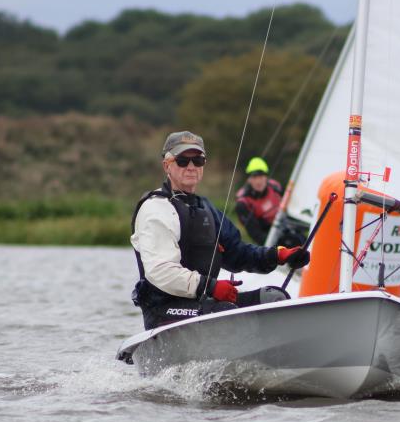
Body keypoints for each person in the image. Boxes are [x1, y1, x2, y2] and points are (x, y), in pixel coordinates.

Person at [130, 131, 310, 330]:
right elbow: (160, 271)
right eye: (182, 160)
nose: (191, 166)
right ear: (167, 165)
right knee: (225, 312)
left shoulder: (207, 209)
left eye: (198, 160)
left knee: (274, 298)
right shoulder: (155, 209)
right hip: (164, 309)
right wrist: (211, 287)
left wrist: (277, 255)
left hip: (205, 302)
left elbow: (238, 254)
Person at [235, 157, 283, 245]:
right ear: (249, 179)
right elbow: (256, 234)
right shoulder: (243, 203)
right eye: (254, 177)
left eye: (261, 176)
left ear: (266, 177)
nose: (258, 181)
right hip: (267, 239)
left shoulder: (276, 187)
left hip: (284, 227)